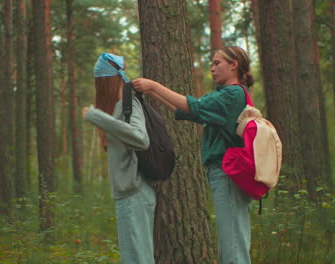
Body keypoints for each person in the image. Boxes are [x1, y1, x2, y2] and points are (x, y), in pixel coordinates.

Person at [132, 46, 254, 264]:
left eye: (218, 63)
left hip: (228, 174)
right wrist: (153, 93)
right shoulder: (225, 96)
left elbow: (194, 106)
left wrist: (155, 85)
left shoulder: (232, 94)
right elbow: (191, 111)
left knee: (233, 248)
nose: (212, 68)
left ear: (234, 65)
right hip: (226, 173)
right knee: (232, 245)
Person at [82, 53, 156, 264]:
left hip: (135, 193)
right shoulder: (117, 106)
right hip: (128, 193)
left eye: (100, 81)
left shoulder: (128, 103)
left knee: (139, 259)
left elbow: (141, 139)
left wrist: (98, 117)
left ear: (107, 80)